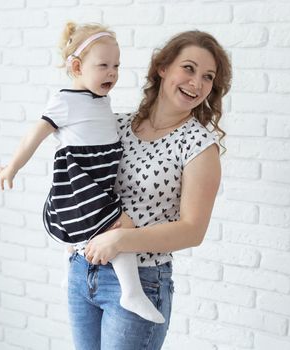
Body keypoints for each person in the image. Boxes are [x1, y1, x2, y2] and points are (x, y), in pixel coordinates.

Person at [0, 22, 164, 324]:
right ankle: (131, 291)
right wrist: (12, 167)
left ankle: (72, 273)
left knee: (84, 233)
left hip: (99, 176)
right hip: (81, 178)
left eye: (117, 65)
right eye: (103, 65)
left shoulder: (99, 99)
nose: (112, 72)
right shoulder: (65, 101)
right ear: (77, 66)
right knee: (121, 224)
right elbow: (36, 134)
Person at [67, 30, 232, 349]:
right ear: (163, 67)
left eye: (208, 76)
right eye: (189, 68)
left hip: (140, 281)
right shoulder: (115, 124)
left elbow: (192, 230)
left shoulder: (198, 146)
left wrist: (120, 239)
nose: (196, 83)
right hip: (82, 270)